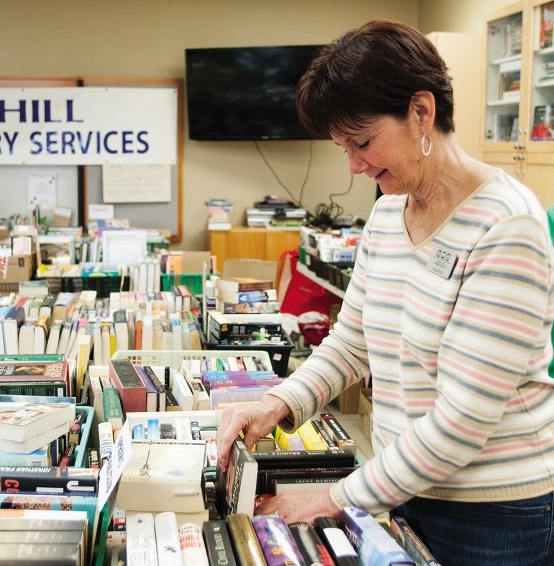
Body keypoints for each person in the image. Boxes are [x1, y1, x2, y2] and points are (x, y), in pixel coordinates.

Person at [216, 20, 554, 565]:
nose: (354, 166)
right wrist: (275, 405)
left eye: (363, 142)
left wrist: (333, 499)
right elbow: (351, 345)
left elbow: (461, 421)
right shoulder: (389, 210)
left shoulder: (506, 225)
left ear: (422, 112)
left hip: (493, 516)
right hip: (405, 487)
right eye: (342, 148)